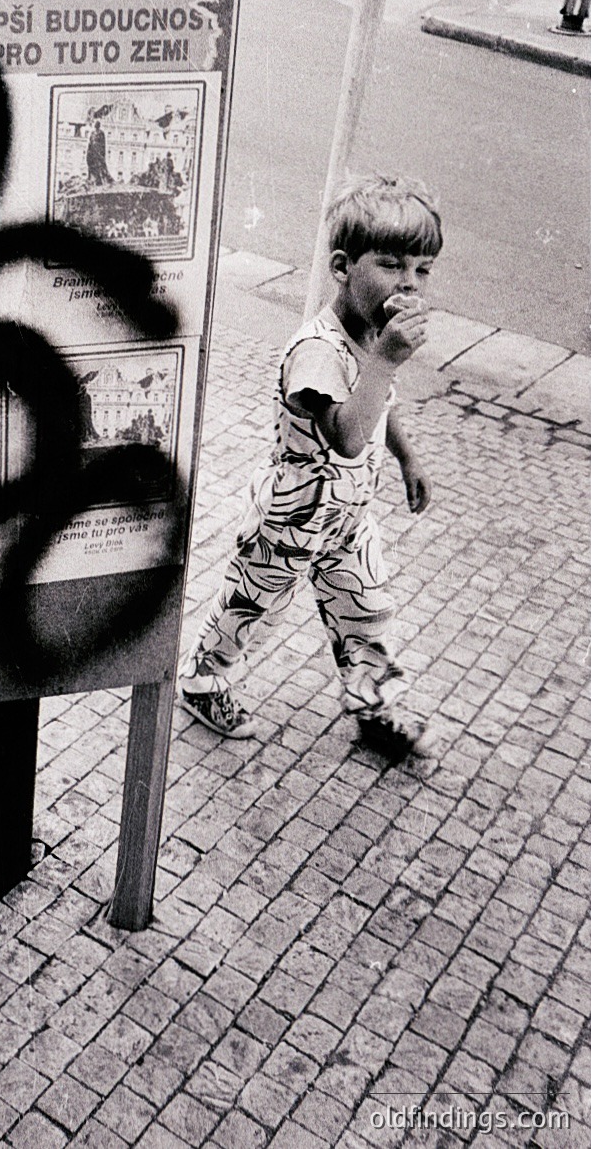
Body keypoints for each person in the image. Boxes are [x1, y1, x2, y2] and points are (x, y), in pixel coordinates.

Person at [180, 174, 442, 762]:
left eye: (422, 269)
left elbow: (381, 409)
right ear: (344, 267)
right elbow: (347, 435)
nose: (408, 282)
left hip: (348, 522)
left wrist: (408, 457)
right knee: (251, 607)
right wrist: (386, 358)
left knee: (368, 612)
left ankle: (373, 706)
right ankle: (202, 680)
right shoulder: (317, 349)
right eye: (392, 264)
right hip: (289, 521)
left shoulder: (373, 340)